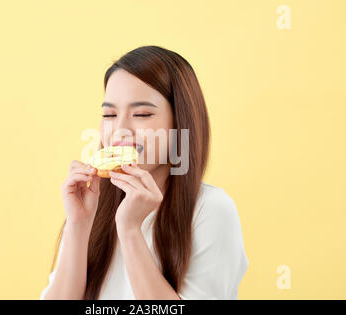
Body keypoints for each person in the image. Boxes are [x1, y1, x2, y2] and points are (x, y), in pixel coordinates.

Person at [40, 45, 248, 300]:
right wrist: (79, 224)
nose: (120, 130)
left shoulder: (211, 209)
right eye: (109, 114)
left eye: (141, 114)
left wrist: (130, 230)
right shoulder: (92, 208)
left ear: (179, 122)